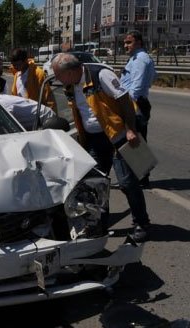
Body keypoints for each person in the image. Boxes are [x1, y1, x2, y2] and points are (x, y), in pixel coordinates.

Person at [51, 52, 151, 242]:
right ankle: (100, 225)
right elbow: (82, 112)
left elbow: (125, 100)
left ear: (71, 71)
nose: (57, 79)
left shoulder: (100, 75)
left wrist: (130, 129)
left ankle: (141, 223)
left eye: (58, 74)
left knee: (127, 183)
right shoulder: (70, 85)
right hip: (95, 139)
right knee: (95, 185)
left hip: (117, 135)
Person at [120, 30, 156, 188]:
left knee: (136, 141)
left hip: (135, 104)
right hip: (138, 102)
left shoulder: (140, 59)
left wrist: (128, 107)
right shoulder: (138, 58)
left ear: (139, 42)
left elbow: (136, 87)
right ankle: (142, 178)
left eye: (129, 42)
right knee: (138, 141)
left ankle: (141, 179)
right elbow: (154, 76)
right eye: (125, 42)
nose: (125, 45)